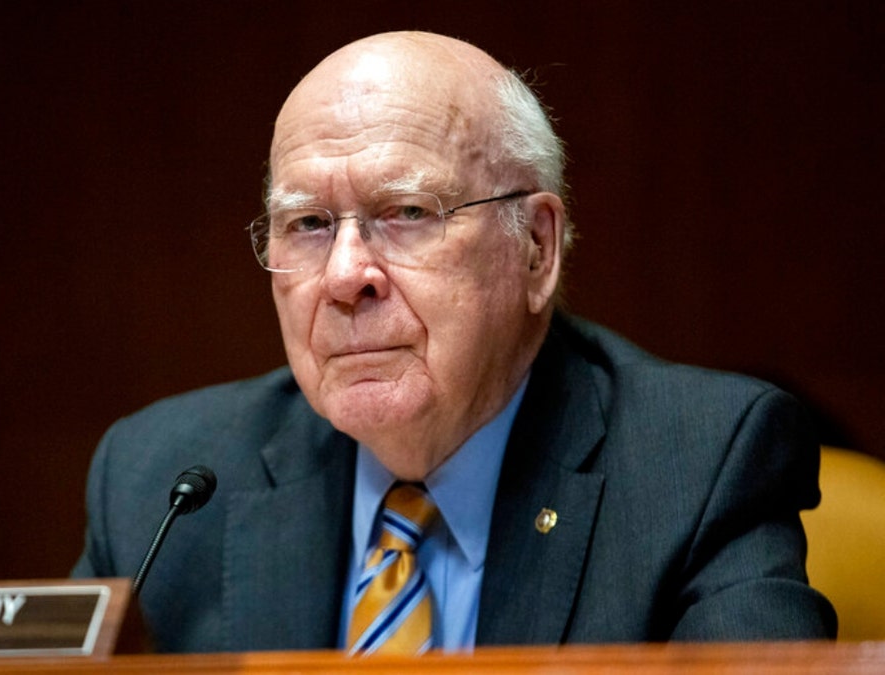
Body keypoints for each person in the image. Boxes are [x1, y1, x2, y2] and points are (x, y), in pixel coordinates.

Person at [71, 30, 836, 653]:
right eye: (307, 224)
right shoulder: (158, 485)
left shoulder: (698, 466)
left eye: (406, 211)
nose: (345, 276)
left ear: (536, 248)